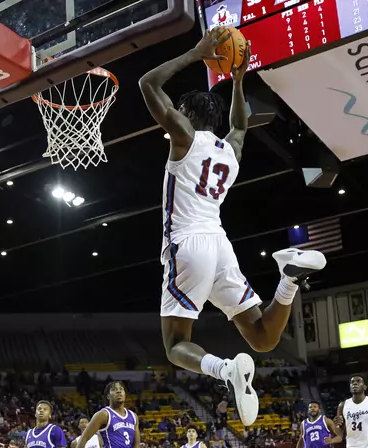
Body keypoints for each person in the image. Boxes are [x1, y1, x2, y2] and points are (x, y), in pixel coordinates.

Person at [138, 27, 326, 427]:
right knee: (262, 338)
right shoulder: (231, 151)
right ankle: (288, 280)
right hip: (220, 246)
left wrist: (194, 54)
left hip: (186, 243)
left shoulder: (183, 137)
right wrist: (238, 79)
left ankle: (225, 371)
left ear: (187, 116)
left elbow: (147, 83)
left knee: (175, 346)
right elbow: (240, 125)